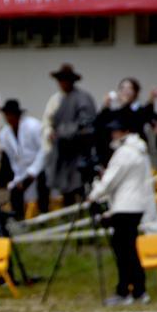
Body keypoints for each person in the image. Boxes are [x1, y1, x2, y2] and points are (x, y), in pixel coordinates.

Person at [87, 117, 157, 306]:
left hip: (125, 206)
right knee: (129, 249)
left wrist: (94, 195)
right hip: (136, 205)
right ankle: (138, 290)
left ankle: (125, 290)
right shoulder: (139, 151)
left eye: (116, 131)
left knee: (123, 251)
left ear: (125, 132)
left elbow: (111, 179)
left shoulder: (125, 152)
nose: (113, 135)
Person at [43, 64, 97, 210]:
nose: (62, 83)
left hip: (79, 154)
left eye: (65, 80)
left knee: (80, 188)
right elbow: (51, 122)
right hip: (63, 154)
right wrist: (52, 133)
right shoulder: (60, 99)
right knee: (66, 192)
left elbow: (86, 124)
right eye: (60, 80)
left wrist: (64, 132)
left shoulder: (82, 98)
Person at [0, 99, 45, 221]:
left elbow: (44, 150)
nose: (8, 118)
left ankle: (43, 216)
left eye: (10, 114)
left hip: (39, 168)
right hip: (21, 172)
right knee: (15, 193)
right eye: (6, 115)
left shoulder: (33, 126)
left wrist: (33, 171)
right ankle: (19, 220)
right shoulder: (4, 134)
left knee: (42, 190)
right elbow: (13, 160)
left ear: (17, 114)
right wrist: (17, 178)